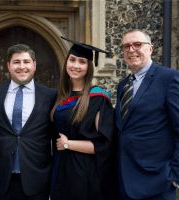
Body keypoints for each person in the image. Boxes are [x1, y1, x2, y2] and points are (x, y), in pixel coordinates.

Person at [116, 30, 179, 200]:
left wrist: (175, 177)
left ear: (150, 48)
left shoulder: (170, 79)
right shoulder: (123, 85)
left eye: (137, 44)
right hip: (125, 181)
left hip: (157, 183)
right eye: (126, 46)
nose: (131, 50)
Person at [49, 37, 119, 200]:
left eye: (82, 62)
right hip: (60, 166)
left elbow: (104, 145)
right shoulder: (61, 95)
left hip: (82, 171)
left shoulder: (98, 99)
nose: (75, 65)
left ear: (89, 67)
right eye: (72, 60)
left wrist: (68, 144)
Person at [0, 44, 58, 200]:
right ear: (8, 66)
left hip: (37, 179)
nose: (22, 66)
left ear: (34, 65)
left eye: (26, 61)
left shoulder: (51, 96)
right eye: (16, 62)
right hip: (0, 180)